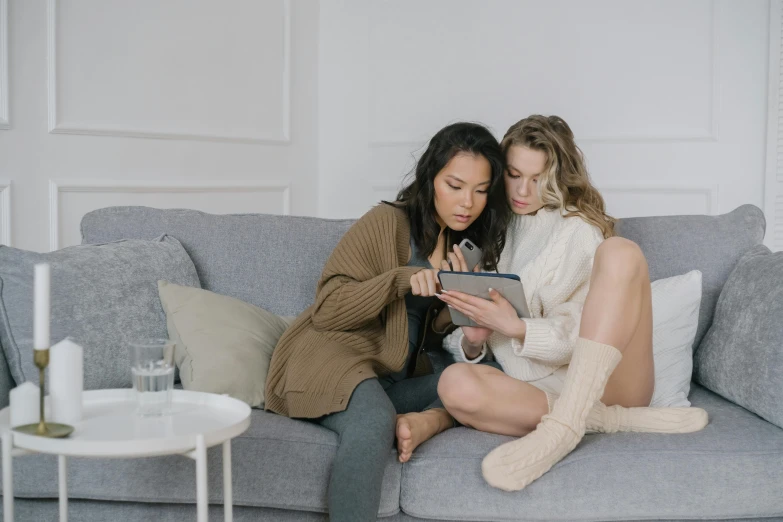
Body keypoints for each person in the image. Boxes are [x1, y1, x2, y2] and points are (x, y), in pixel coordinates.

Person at [433, 115, 708, 492]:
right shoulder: (490, 230)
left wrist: (516, 327)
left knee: (621, 251)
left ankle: (563, 428)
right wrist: (475, 339)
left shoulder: (577, 230)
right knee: (454, 384)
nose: (523, 191)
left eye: (538, 179)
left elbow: (586, 329)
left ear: (558, 177)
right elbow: (464, 339)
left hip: (607, 382)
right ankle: (613, 421)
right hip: (538, 390)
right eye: (514, 175)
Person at [264, 121, 510, 521]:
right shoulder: (387, 222)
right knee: (376, 418)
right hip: (336, 360)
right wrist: (402, 281)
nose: (468, 202)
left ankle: (429, 420)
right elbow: (328, 308)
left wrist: (472, 338)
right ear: (430, 179)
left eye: (480, 190)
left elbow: (436, 345)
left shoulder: (468, 251)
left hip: (392, 380)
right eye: (455, 185)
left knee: (491, 380)